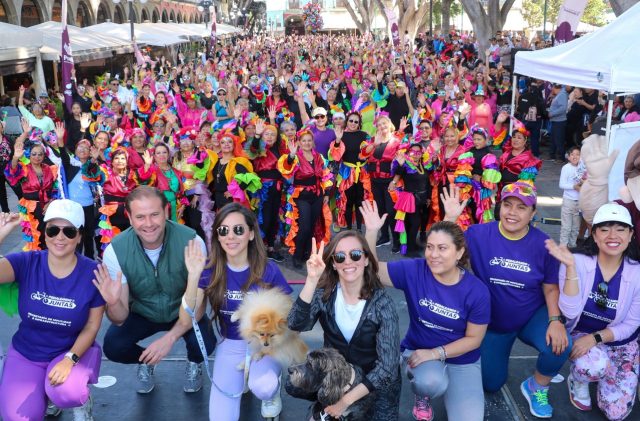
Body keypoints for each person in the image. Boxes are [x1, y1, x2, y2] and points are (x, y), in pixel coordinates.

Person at [442, 182, 571, 419]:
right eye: (508, 205)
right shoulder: (477, 234)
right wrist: (450, 218)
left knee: (560, 344)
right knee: (491, 383)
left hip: (530, 317)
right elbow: (441, 252)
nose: (513, 212)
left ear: (533, 213)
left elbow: (550, 287)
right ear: (499, 207)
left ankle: (537, 386)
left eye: (522, 208)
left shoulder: (543, 244)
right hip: (493, 325)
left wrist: (555, 319)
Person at [361, 202, 490, 421]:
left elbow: (474, 340)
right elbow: (373, 272)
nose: (433, 254)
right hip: (420, 354)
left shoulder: (476, 291)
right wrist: (371, 232)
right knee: (429, 383)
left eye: (442, 248)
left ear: (459, 252)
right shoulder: (415, 270)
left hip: (462, 358)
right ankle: (423, 396)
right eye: (429, 246)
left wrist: (437, 352)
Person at [97, 186, 216, 394]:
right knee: (114, 346)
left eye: (154, 214)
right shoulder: (115, 250)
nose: (149, 224)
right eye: (140, 217)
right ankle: (146, 362)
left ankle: (194, 363)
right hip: (143, 312)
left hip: (183, 309)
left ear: (166, 211)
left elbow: (197, 310)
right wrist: (113, 303)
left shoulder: (192, 242)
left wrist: (168, 339)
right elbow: (119, 318)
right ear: (129, 217)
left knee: (205, 343)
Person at [179, 202, 292, 421]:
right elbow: (186, 318)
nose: (231, 236)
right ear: (218, 236)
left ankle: (271, 393)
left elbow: (289, 315)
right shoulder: (209, 270)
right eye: (224, 230)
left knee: (264, 386)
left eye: (238, 229)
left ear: (250, 234)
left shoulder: (268, 269)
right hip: (230, 342)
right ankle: (247, 378)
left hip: (264, 344)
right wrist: (193, 277)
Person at [0, 200, 105, 421]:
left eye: (68, 231)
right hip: (27, 352)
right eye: (53, 229)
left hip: (70, 351)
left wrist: (70, 359)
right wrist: (3, 233)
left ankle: (80, 399)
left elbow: (92, 325)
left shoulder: (93, 272)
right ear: (44, 232)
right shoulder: (27, 262)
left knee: (67, 393)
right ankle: (43, 394)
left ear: (78, 237)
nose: (59, 237)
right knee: (15, 418)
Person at [287, 232, 401, 420]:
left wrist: (344, 402)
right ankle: (326, 399)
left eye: (355, 255)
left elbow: (387, 369)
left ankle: (337, 404)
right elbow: (295, 325)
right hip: (336, 377)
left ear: (365, 260)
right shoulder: (325, 295)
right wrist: (312, 280)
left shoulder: (382, 304)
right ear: (333, 263)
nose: (348, 261)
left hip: (374, 382)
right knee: (292, 384)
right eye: (340, 257)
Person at [545, 203, 640, 420]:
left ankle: (609, 376)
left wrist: (596, 338)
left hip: (618, 342)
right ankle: (578, 379)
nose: (612, 235)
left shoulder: (637, 273)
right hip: (580, 335)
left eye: (620, 229)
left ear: (631, 234)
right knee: (592, 366)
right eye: (605, 229)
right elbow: (569, 311)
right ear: (594, 235)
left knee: (616, 413)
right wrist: (570, 269)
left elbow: (631, 325)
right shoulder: (577, 261)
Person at [278, 128, 333, 268]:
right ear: (299, 143)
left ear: (312, 142)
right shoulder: (295, 157)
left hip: (317, 195)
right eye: (304, 141)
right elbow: (286, 168)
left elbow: (325, 175)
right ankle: (297, 254)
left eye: (309, 140)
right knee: (305, 226)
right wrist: (290, 155)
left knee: (313, 225)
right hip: (301, 196)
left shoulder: (319, 157)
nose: (307, 143)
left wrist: (326, 194)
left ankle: (308, 253)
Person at [559, 147, 584, 248]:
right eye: (572, 154)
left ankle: (572, 246)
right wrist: (574, 187)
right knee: (566, 227)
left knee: (575, 228)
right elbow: (561, 184)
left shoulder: (583, 168)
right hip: (568, 201)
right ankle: (563, 247)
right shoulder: (566, 168)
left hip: (579, 202)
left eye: (577, 154)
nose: (575, 156)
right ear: (568, 157)